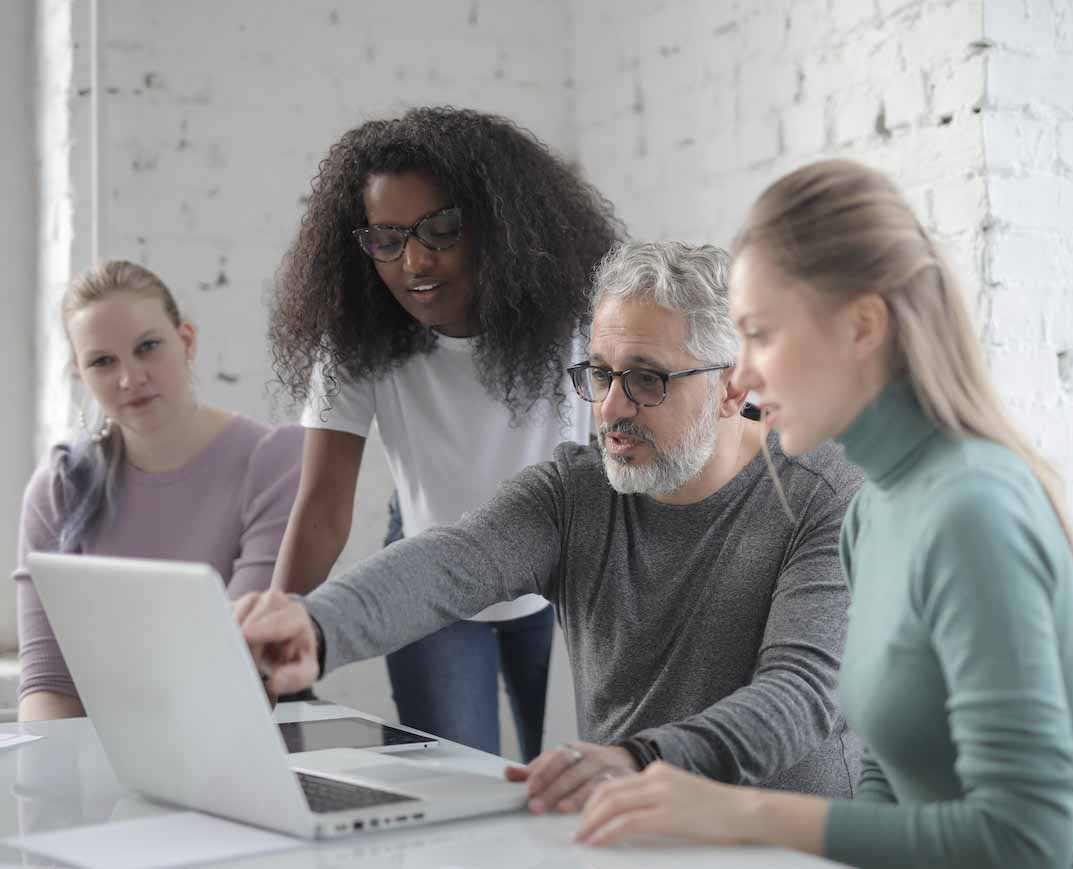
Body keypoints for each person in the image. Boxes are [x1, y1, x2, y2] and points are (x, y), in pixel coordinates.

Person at [573, 161, 1073, 868]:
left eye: (761, 333)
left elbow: (1026, 842)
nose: (743, 376)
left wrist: (741, 811)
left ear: (862, 326)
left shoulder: (973, 511)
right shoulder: (871, 509)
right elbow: (887, 773)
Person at [239, 241, 863, 814]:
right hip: (633, 830)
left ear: (732, 387)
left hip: (786, 839)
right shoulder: (576, 493)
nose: (610, 410)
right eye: (600, 374)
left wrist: (639, 761)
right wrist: (315, 625)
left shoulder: (823, 496)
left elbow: (801, 694)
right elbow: (450, 561)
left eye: (647, 379)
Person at [267, 107, 621, 761]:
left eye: (442, 230)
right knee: (460, 786)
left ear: (498, 227)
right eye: (388, 238)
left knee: (580, 784)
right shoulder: (355, 342)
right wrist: (271, 631)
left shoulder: (576, 315)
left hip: (567, 584)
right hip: (432, 588)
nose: (416, 260)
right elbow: (320, 509)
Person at [14, 260, 302, 722]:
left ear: (186, 341)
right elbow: (49, 680)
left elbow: (240, 661)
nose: (130, 378)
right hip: (99, 752)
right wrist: (58, 783)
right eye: (102, 362)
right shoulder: (60, 484)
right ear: (79, 374)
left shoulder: (272, 461)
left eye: (147, 347)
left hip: (236, 740)